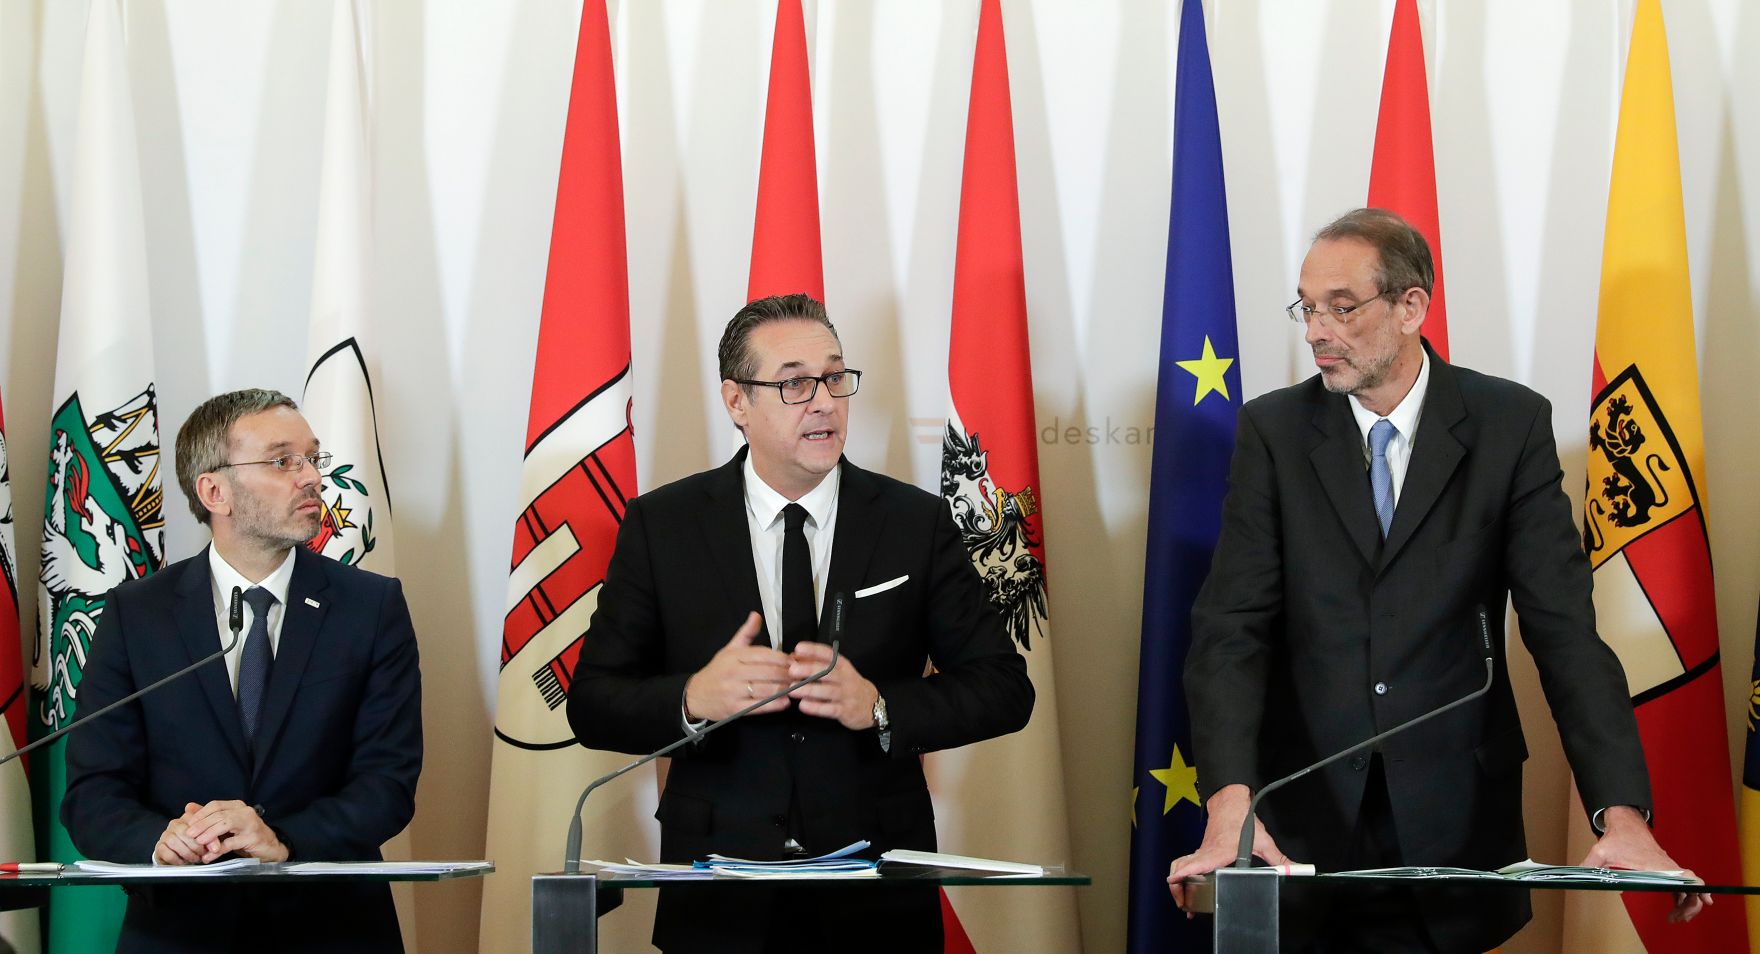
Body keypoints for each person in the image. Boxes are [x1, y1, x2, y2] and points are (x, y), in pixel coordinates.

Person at [1167, 209, 1706, 952]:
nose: (1317, 330)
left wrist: (1623, 815)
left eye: (1342, 307)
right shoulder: (1275, 433)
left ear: (1412, 306)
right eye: (1308, 307)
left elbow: (1564, 636)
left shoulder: (1507, 424)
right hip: (1301, 818)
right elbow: (1231, 632)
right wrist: (1231, 801)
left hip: (1456, 824)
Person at [567, 293, 1034, 954]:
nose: (823, 401)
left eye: (835, 378)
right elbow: (591, 704)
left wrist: (879, 706)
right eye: (794, 383)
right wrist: (693, 699)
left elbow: (1005, 688)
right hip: (720, 896)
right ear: (736, 402)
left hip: (877, 894)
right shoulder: (662, 526)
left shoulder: (912, 524)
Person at [62, 389, 422, 954]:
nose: (310, 478)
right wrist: (161, 841)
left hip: (332, 930)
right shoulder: (137, 614)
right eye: (283, 461)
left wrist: (278, 836)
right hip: (178, 932)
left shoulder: (370, 607)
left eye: (312, 458)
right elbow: (93, 791)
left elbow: (388, 785)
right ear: (214, 491)